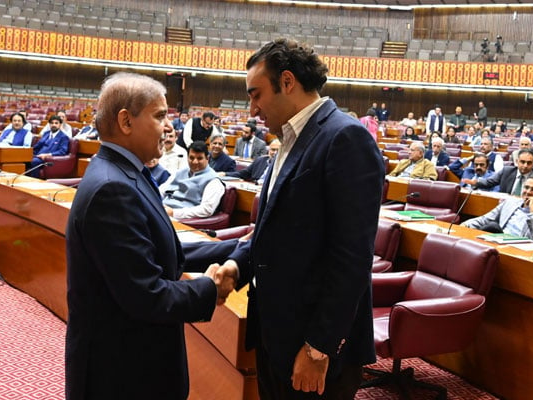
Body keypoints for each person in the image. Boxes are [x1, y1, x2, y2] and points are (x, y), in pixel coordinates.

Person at [214, 38, 384, 398]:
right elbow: (275, 232)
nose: (252, 108)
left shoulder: (344, 137)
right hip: (276, 335)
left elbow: (351, 257)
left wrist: (319, 347)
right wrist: (235, 266)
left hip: (313, 346)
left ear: (287, 82)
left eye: (256, 94)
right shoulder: (290, 139)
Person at [65, 72, 234, 400]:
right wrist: (209, 289)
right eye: (159, 116)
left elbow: (161, 251)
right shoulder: (113, 189)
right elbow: (146, 294)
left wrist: (236, 249)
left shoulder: (126, 173)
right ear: (126, 121)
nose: (167, 127)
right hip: (121, 376)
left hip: (131, 366)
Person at [462, 172, 533, 245]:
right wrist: (465, 225)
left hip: (520, 249)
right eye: (526, 187)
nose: (528, 192)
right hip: (498, 242)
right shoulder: (509, 202)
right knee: (490, 227)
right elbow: (485, 219)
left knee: (492, 227)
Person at [163, 140, 226, 219]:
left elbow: (206, 210)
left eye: (199, 158)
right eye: (191, 158)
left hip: (179, 218)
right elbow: (161, 190)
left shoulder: (213, 181)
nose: (195, 162)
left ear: (207, 158)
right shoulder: (180, 172)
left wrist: (173, 212)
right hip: (163, 209)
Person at [463, 148, 533, 194]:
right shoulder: (506, 171)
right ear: (517, 161)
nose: (525, 165)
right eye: (522, 162)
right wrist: (476, 183)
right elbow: (489, 182)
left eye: (529, 163)